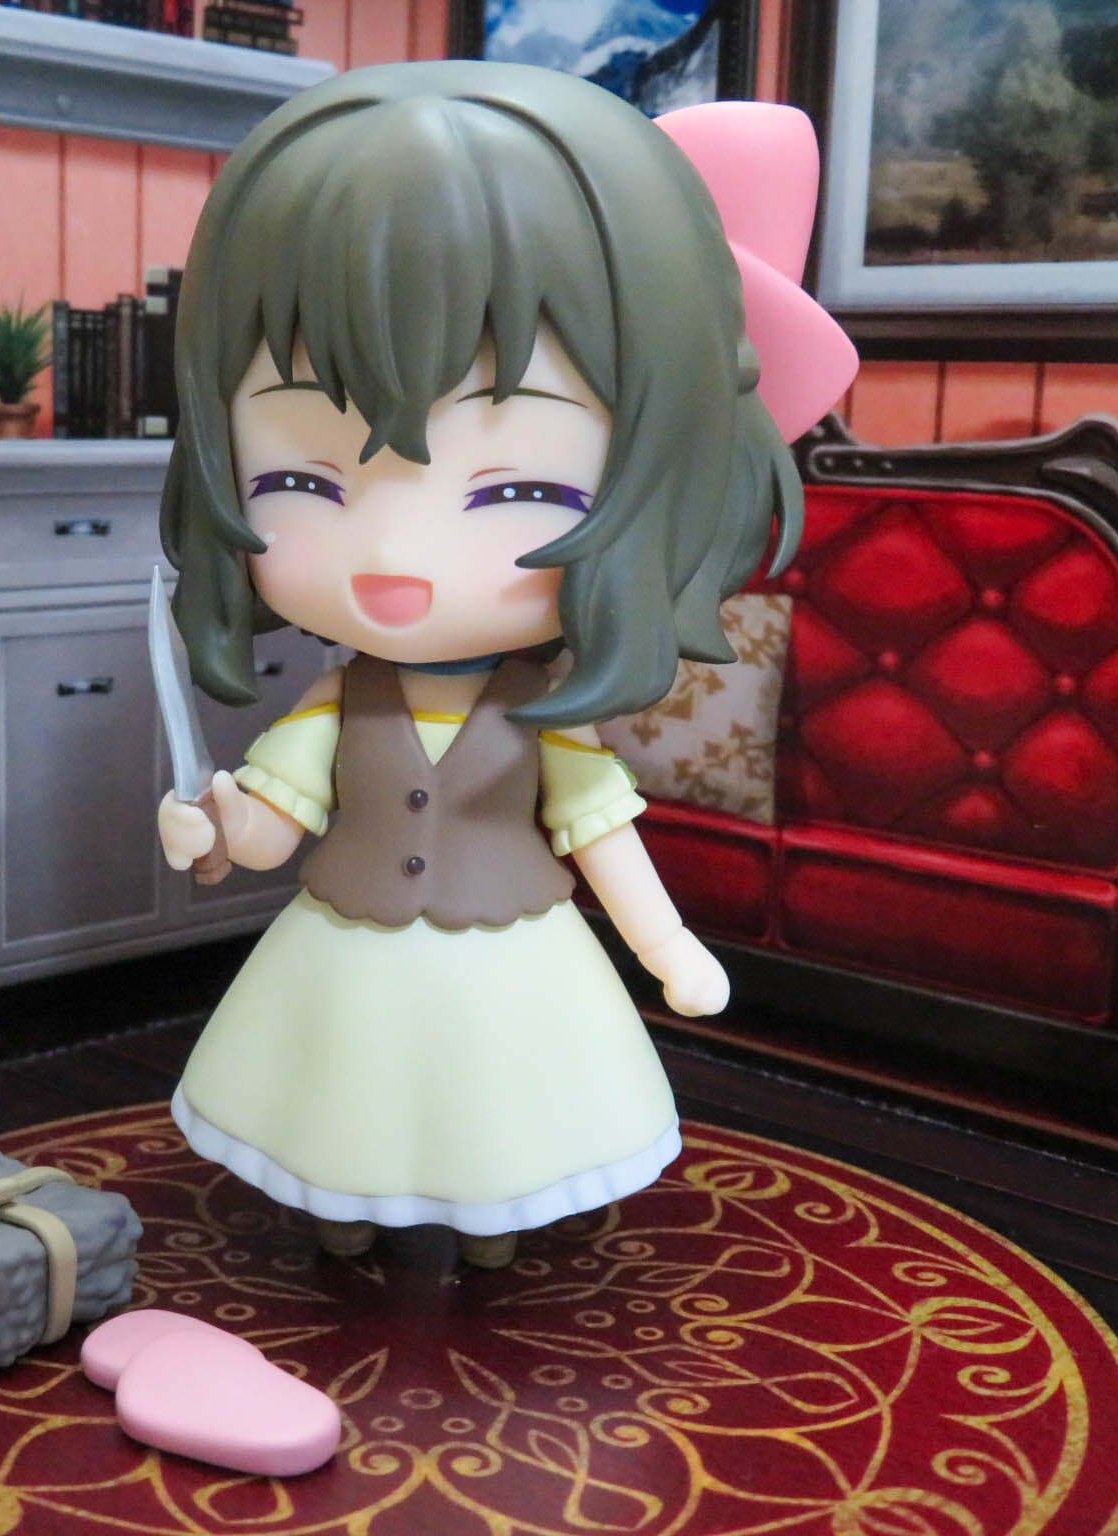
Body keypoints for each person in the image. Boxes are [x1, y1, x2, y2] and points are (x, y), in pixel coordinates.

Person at [155, 60, 854, 1269]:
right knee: (343, 1104)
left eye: (516, 490)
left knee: (499, 1116)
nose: (391, 556)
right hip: (348, 954)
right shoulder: (337, 705)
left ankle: (491, 1228)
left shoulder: (545, 717)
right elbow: (269, 829)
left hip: (510, 954)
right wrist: (212, 830)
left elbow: (601, 837)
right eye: (302, 479)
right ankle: (345, 1208)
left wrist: (668, 950)